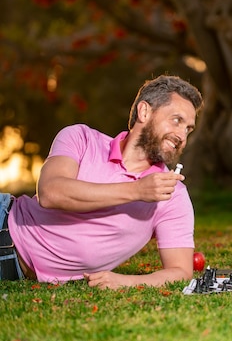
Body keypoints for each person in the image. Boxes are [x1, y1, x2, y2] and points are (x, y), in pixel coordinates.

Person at [1, 75, 203, 289]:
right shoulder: (81, 138)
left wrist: (125, 281)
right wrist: (137, 190)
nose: (182, 135)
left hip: (13, 267)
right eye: (177, 120)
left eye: (188, 129)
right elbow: (50, 193)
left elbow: (180, 272)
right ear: (145, 112)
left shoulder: (172, 194)